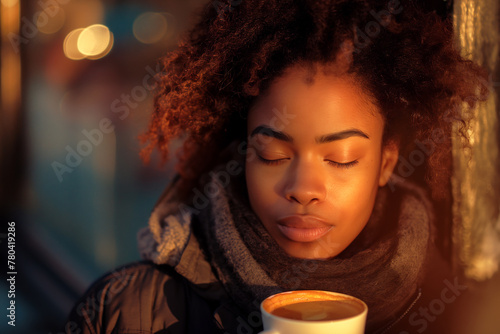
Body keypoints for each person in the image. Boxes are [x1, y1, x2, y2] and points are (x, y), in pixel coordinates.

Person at [64, 0, 489, 333]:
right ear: (244, 152)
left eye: (341, 160)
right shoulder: (128, 312)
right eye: (272, 154)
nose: (303, 188)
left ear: (386, 162)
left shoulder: (452, 313)